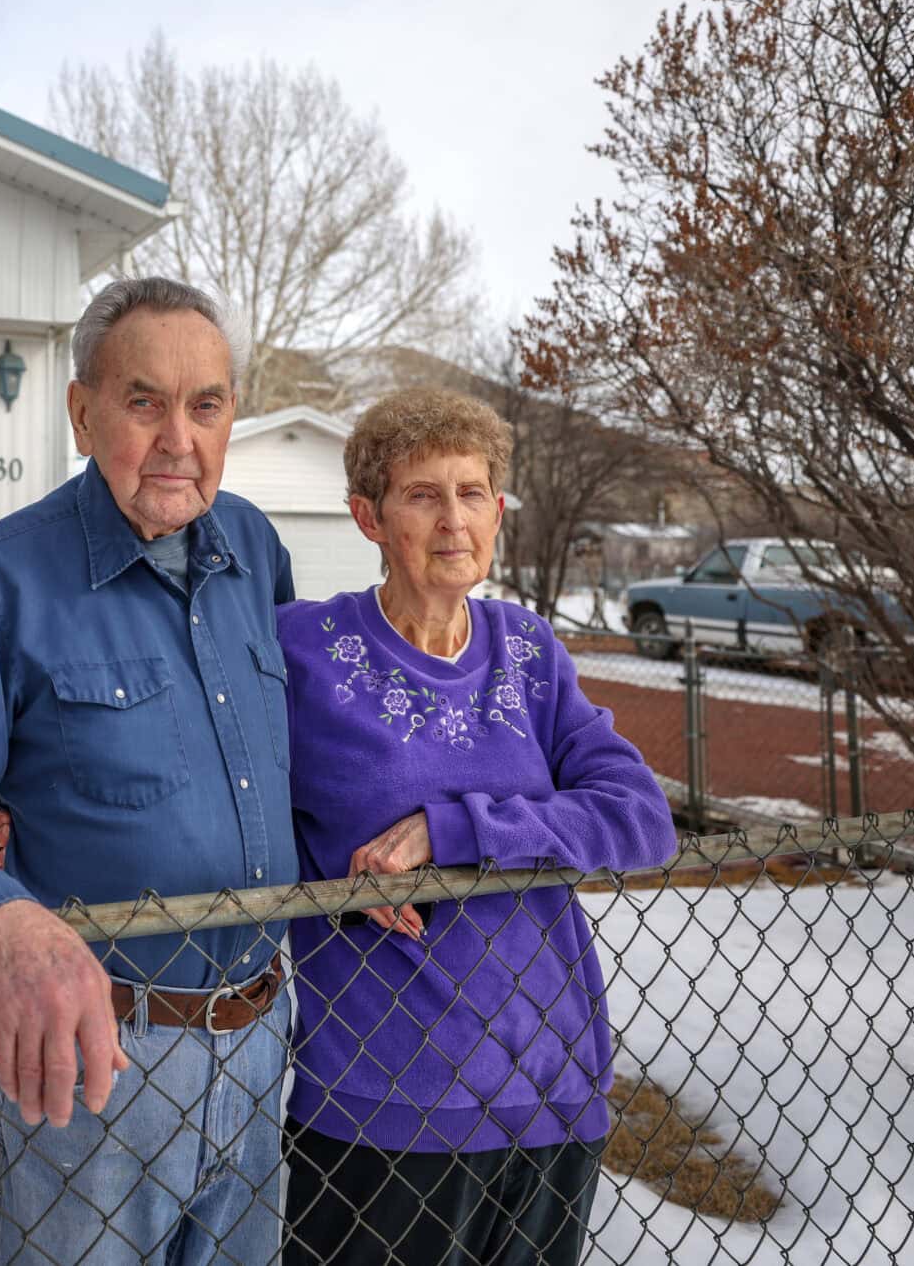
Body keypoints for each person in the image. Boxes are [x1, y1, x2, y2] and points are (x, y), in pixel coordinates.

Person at [0, 276, 298, 1265]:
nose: (178, 439)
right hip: (94, 1067)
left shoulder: (254, 546)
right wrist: (5, 922)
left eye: (205, 404)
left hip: (262, 1048)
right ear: (81, 412)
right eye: (143, 401)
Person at [275, 386, 676, 1265]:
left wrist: (450, 830)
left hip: (553, 1088)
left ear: (498, 510)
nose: (454, 519)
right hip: (380, 1099)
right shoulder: (302, 650)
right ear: (368, 517)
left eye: (472, 493)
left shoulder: (527, 649)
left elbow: (642, 819)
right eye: (422, 494)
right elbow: (213, 783)